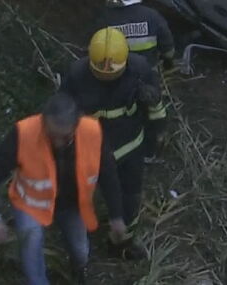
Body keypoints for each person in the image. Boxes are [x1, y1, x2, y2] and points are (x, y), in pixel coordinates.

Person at [0, 92, 127, 285]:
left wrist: (116, 216)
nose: (57, 142)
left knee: (81, 251)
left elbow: (108, 175)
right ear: (43, 122)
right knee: (31, 250)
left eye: (64, 137)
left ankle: (78, 271)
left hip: (72, 205)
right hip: (31, 204)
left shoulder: (92, 132)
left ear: (76, 126)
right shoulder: (23, 134)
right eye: (51, 135)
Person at [61, 27, 161, 258]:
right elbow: (62, 107)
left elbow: (156, 103)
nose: (106, 76)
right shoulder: (77, 74)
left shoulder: (139, 69)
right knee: (78, 193)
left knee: (130, 196)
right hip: (92, 149)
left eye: (112, 73)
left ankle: (121, 244)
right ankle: (74, 235)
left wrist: (152, 100)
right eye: (100, 72)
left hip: (130, 145)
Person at [94, 0, 175, 162]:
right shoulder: (152, 16)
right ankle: (152, 151)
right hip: (148, 76)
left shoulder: (103, 19)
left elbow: (93, 50)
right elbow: (168, 46)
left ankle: (121, 150)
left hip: (114, 78)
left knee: (121, 116)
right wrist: (168, 62)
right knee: (154, 112)